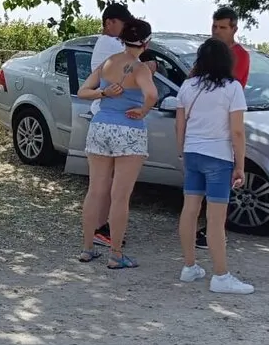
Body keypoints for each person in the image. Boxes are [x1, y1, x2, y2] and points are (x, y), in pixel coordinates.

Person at [76, 18, 158, 269]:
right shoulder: (140, 68)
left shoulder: (107, 63)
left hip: (100, 126)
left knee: (95, 190)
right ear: (146, 42)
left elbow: (82, 91)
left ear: (122, 39)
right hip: (128, 130)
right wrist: (143, 111)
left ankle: (88, 248)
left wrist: (104, 93)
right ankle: (116, 253)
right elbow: (152, 95)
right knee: (120, 196)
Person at [175, 38, 255, 294]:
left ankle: (189, 266)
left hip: (192, 152)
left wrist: (182, 153)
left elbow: (180, 125)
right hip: (218, 156)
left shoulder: (188, 86)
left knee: (190, 210)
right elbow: (237, 131)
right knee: (216, 218)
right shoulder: (232, 88)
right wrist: (239, 164)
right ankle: (220, 275)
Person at [196, 6, 251, 249]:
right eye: (214, 27)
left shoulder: (240, 55)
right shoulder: (206, 53)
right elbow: (192, 79)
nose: (217, 32)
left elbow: (230, 83)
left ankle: (216, 229)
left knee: (222, 176)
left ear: (234, 29)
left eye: (222, 28)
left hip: (226, 119)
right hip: (204, 123)